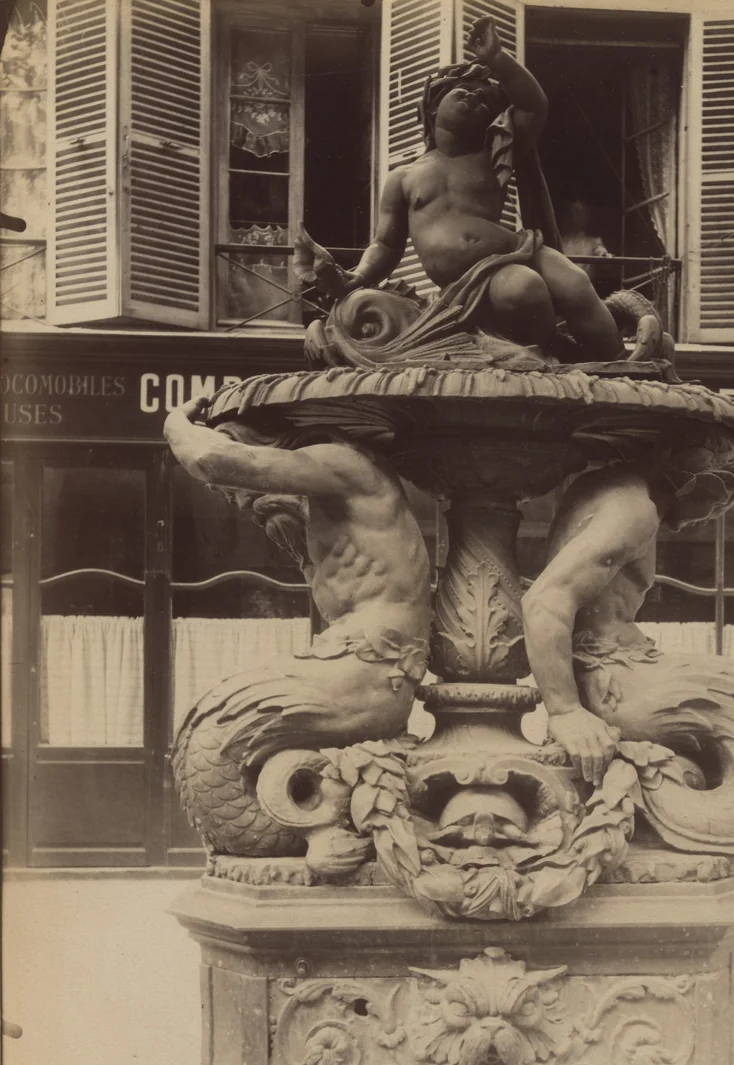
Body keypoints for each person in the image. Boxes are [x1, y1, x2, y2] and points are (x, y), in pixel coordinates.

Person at [163, 395, 433, 856]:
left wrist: (173, 423)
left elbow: (210, 458)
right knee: (209, 734)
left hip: (372, 668)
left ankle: (322, 831)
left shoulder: (346, 465)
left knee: (218, 732)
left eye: (241, 483)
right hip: (356, 663)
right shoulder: (324, 519)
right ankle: (319, 831)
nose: (236, 496)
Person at [521, 399, 734, 787]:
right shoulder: (633, 511)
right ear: (694, 481)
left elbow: (714, 480)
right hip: (611, 684)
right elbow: (544, 602)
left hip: (618, 669)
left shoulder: (618, 485)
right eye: (719, 499)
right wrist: (566, 713)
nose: (713, 514)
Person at [340, 17, 625, 361]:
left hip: (519, 248)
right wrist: (358, 275)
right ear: (432, 108)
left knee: (577, 282)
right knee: (523, 288)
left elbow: (535, 105)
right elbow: (385, 244)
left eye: (483, 99)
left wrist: (497, 58)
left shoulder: (491, 154)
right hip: (470, 281)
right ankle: (554, 354)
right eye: (462, 91)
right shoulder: (404, 176)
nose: (474, 96)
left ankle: (618, 364)